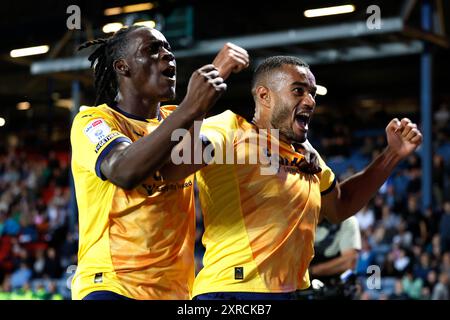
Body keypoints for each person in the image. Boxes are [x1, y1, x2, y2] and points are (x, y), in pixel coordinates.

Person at [167, 55, 422, 300]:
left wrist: (392, 155)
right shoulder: (229, 129)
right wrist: (214, 75)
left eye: (312, 92)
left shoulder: (305, 154)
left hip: (292, 292)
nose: (310, 101)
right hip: (232, 292)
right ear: (264, 96)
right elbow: (178, 159)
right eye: (298, 91)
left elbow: (340, 205)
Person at [70, 25, 249, 300]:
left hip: (175, 291)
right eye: (152, 50)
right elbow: (124, 170)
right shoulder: (94, 121)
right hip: (112, 286)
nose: (167, 55)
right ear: (122, 67)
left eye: (168, 49)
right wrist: (192, 107)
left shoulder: (179, 119)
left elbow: (195, 158)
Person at [306, 216, 361, 299]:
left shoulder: (347, 221)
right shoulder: (299, 219)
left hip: (332, 290)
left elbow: (349, 262)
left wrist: (310, 271)